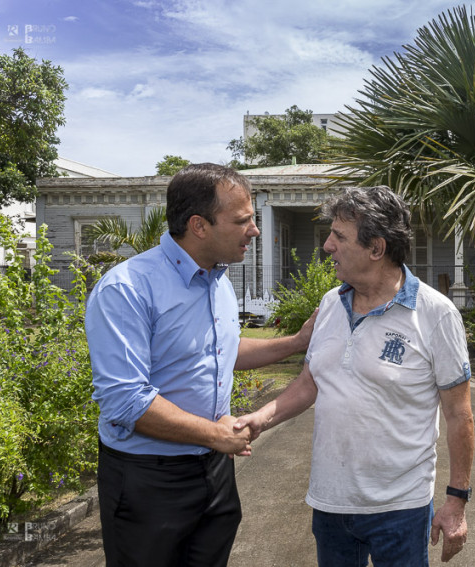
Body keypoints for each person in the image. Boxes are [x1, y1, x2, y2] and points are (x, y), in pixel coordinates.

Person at [85, 163, 315, 567]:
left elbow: (221, 351)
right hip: (149, 480)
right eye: (242, 220)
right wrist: (215, 434)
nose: (255, 230)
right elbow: (125, 401)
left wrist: (298, 342)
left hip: (214, 471)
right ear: (199, 225)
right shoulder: (127, 289)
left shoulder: (217, 279)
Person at [235, 185, 475, 565]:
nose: (327, 246)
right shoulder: (331, 303)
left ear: (376, 249)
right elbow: (310, 382)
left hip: (400, 507)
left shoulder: (436, 314)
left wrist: (456, 501)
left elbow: (459, 414)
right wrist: (260, 418)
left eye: (339, 236)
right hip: (330, 502)